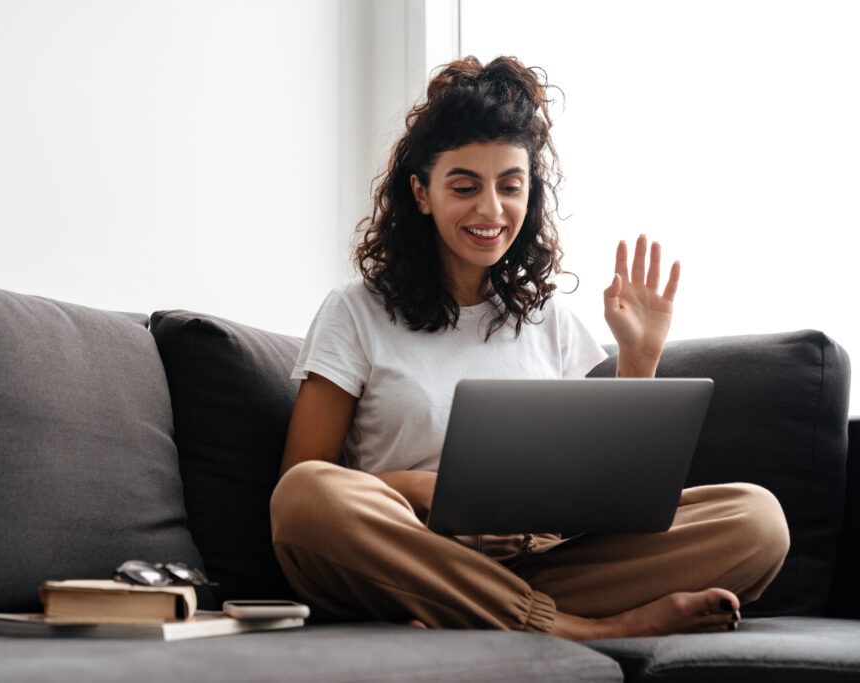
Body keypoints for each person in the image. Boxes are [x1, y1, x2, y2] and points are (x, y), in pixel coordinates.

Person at [269, 55, 789, 640]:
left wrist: (638, 360)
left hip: (544, 560)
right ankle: (581, 629)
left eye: (509, 186)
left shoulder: (553, 322)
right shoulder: (355, 311)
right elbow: (301, 477)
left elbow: (611, 494)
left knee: (757, 519)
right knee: (307, 499)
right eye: (464, 186)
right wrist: (421, 488)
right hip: (412, 553)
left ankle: (475, 615)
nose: (490, 210)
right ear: (421, 192)